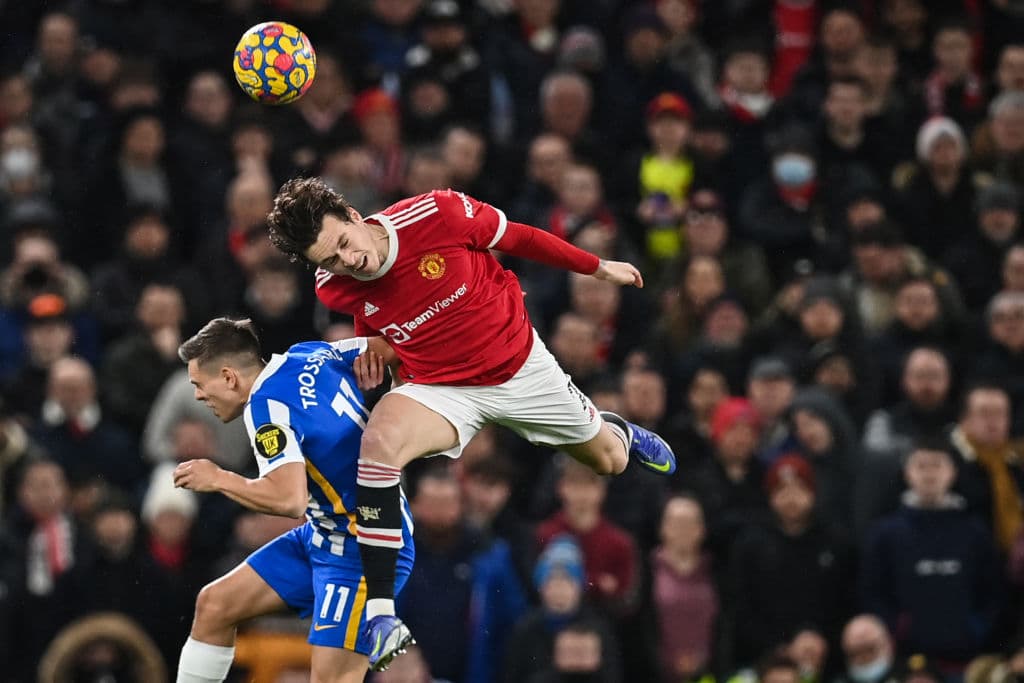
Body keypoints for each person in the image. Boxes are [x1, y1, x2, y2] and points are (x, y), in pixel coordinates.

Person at [265, 178, 677, 668]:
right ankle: (379, 612)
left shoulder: (437, 214)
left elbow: (520, 237)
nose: (347, 262)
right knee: (377, 444)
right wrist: (375, 351)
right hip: (442, 387)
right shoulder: (334, 288)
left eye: (343, 245)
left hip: (519, 368)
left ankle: (620, 430)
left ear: (354, 216)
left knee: (609, 461)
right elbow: (372, 315)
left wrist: (597, 267)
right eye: (330, 260)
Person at [171, 317, 415, 682]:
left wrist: (219, 478)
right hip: (323, 534)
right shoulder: (308, 353)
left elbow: (289, 500)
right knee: (215, 604)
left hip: (362, 549)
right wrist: (390, 386)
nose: (197, 396)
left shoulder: (266, 410)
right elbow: (390, 345)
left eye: (199, 384)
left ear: (228, 377)